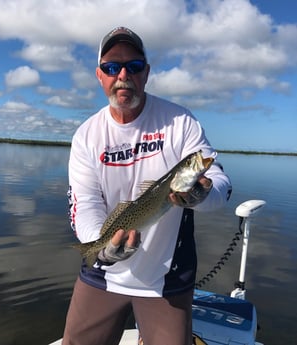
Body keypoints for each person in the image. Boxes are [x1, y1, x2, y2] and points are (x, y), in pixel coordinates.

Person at [62, 26, 232, 345]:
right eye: (112, 67)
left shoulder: (180, 122)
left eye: (134, 66)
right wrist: (104, 250)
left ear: (147, 73)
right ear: (100, 75)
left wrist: (202, 194)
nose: (123, 74)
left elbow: (221, 185)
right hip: (103, 272)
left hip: (165, 280)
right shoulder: (86, 135)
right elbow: (84, 204)